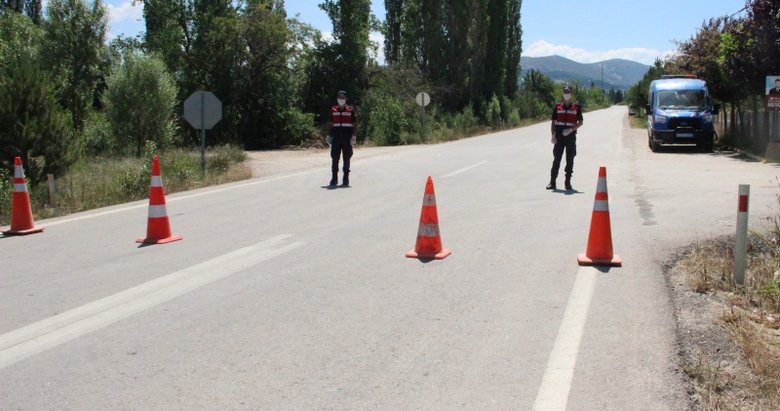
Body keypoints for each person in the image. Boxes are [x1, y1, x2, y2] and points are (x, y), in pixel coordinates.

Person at [547, 85, 583, 191]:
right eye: (565, 92)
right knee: (556, 159)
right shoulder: (558, 107)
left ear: (571, 94)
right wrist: (553, 135)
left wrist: (571, 129)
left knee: (570, 159)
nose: (566, 94)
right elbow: (553, 122)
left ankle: (567, 183)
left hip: (570, 137)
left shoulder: (576, 107)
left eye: (568, 92)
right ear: (563, 93)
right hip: (559, 137)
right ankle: (552, 182)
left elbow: (580, 122)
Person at [327, 90, 357, 187]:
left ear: (346, 99)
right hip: (336, 138)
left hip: (347, 138)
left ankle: (345, 179)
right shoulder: (333, 110)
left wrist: (354, 136)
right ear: (337, 99)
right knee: (334, 159)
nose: (341, 100)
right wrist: (329, 135)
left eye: (342, 98)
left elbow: (354, 124)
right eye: (339, 98)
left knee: (346, 159)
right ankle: (334, 179)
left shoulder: (350, 111)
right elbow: (331, 124)